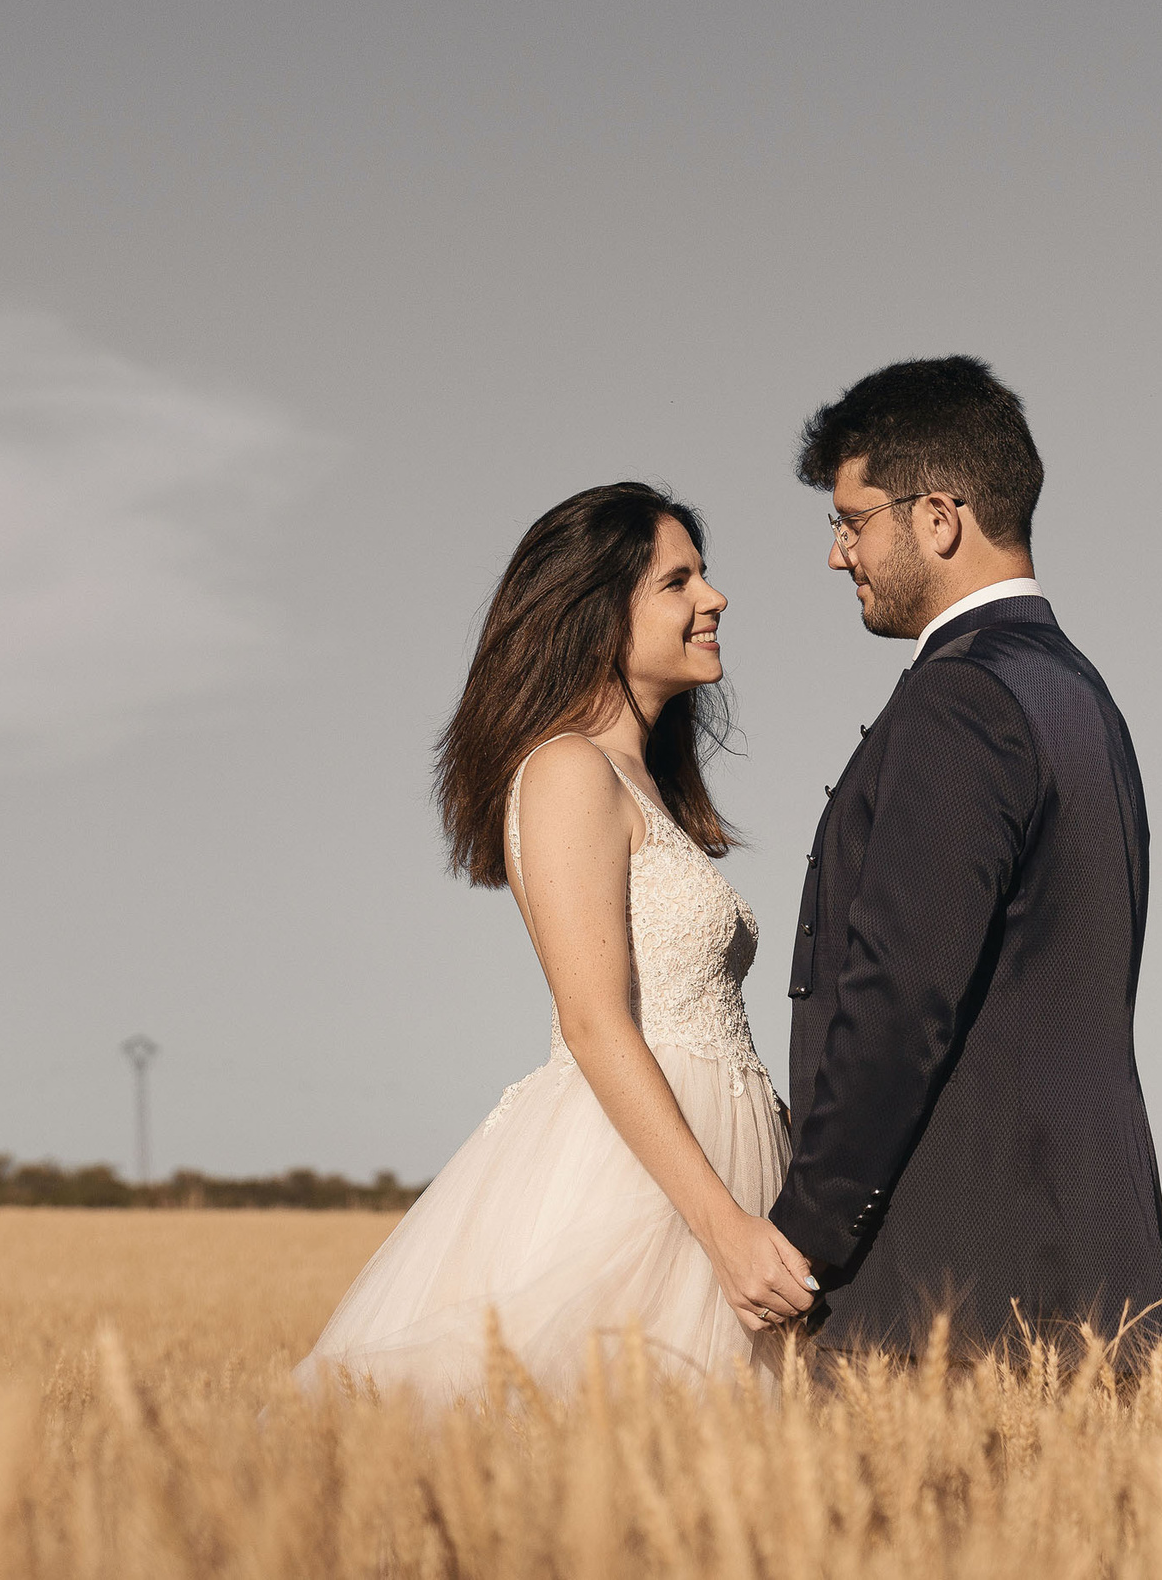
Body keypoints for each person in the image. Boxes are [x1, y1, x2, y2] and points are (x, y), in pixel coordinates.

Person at [297, 482, 810, 1403]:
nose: (714, 598)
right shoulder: (568, 769)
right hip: (644, 1183)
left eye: (706, 575)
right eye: (678, 580)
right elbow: (592, 1020)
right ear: (598, 613)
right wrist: (722, 1227)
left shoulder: (637, 782)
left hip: (712, 1159)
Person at [766, 356, 1162, 1363]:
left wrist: (804, 1235)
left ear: (937, 518)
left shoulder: (959, 700)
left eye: (850, 521)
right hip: (1088, 1259)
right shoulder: (1078, 692)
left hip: (957, 1275)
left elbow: (900, 996)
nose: (836, 555)